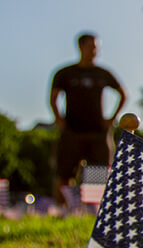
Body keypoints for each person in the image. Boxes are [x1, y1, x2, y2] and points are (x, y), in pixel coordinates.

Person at [49, 32, 127, 204]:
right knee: (64, 174)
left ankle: (93, 212)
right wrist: (59, 120)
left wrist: (111, 118)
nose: (94, 51)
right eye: (91, 47)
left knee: (97, 174)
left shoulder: (102, 74)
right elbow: (53, 98)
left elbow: (123, 94)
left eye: (96, 48)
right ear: (81, 47)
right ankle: (62, 210)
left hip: (97, 132)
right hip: (72, 131)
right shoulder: (65, 73)